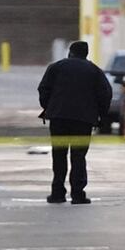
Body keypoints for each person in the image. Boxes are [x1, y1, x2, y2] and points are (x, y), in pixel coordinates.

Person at [37, 40, 112, 205]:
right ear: (86, 54)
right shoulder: (94, 71)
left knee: (59, 155)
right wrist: (100, 115)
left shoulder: (56, 67)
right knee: (78, 156)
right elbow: (105, 93)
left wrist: (49, 107)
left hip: (58, 118)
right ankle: (78, 194)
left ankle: (57, 193)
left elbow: (43, 89)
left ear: (70, 52)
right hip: (83, 120)